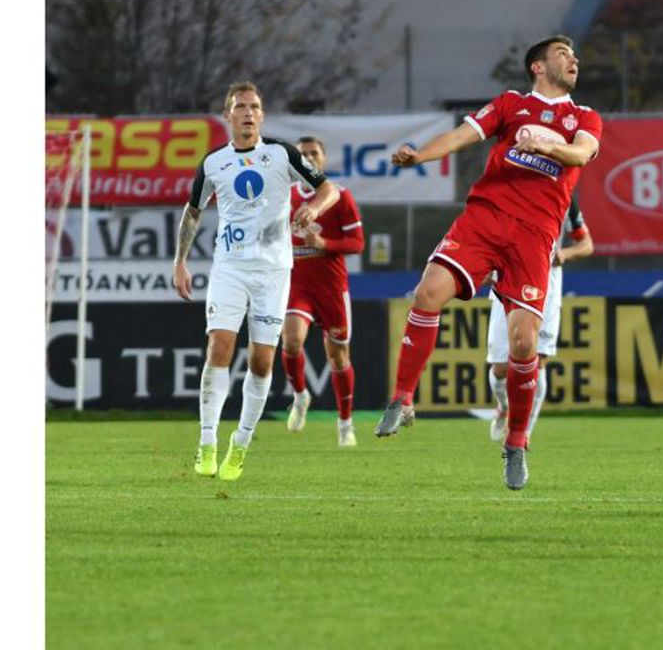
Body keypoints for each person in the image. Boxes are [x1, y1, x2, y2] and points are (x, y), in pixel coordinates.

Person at [375, 35, 603, 490]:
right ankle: (402, 398)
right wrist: (419, 155)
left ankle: (516, 443)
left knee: (522, 346)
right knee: (427, 293)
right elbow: (461, 136)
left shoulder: (584, 117)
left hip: (534, 237)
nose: (572, 60)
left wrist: (548, 146)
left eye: (574, 55)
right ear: (538, 66)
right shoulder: (510, 104)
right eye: (562, 54)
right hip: (485, 219)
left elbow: (581, 153)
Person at [174, 82, 338, 481]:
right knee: (220, 346)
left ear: (262, 116)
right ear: (228, 115)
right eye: (240, 107)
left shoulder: (281, 154)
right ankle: (207, 441)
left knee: (263, 360)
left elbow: (328, 188)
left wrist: (313, 207)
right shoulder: (214, 162)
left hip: (273, 271)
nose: (248, 113)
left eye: (255, 107)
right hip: (230, 267)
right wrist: (180, 260)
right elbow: (193, 211)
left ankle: (241, 445)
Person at [487, 193, 594, 444]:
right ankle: (503, 407)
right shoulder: (508, 190)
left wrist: (565, 255)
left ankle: (523, 434)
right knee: (501, 369)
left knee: (538, 362)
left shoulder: (565, 198)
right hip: (509, 281)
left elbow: (586, 244)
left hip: (547, 286)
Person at [281, 136, 366, 447]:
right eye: (302, 154)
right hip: (297, 283)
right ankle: (301, 395)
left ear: (324, 159)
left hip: (331, 286)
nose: (308, 158)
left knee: (338, 357)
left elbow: (357, 243)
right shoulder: (285, 195)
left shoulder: (340, 197)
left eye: (313, 153)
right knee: (291, 342)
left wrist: (324, 244)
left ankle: (345, 422)